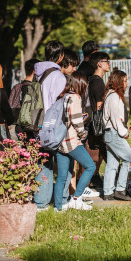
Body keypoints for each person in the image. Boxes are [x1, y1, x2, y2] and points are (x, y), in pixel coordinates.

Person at [54, 73, 96, 211]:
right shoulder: (75, 97)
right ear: (80, 84)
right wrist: (83, 133)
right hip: (71, 141)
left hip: (60, 141)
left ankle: (58, 207)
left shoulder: (62, 97)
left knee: (61, 176)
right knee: (90, 167)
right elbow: (77, 122)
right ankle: (76, 198)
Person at [33, 40, 67, 210]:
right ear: (61, 56)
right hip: (52, 124)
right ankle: (56, 200)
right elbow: (57, 104)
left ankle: (40, 200)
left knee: (42, 162)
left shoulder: (38, 73)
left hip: (37, 122)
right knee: (58, 162)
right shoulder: (58, 76)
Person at [102, 70, 131, 200]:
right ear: (118, 82)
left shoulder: (111, 96)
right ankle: (120, 190)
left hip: (109, 133)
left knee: (112, 164)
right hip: (114, 133)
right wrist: (124, 133)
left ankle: (108, 192)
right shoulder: (114, 97)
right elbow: (116, 119)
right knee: (129, 159)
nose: (127, 83)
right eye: (125, 80)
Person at [85, 51, 111, 190]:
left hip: (94, 123)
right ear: (99, 64)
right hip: (98, 123)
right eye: (107, 61)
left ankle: (94, 178)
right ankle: (88, 182)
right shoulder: (98, 82)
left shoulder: (93, 80)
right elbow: (99, 105)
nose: (109, 64)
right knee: (95, 153)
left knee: (101, 152)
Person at [9, 58, 40, 124]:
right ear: (34, 71)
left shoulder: (16, 87)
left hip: (17, 125)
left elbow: (10, 105)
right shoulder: (35, 88)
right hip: (30, 126)